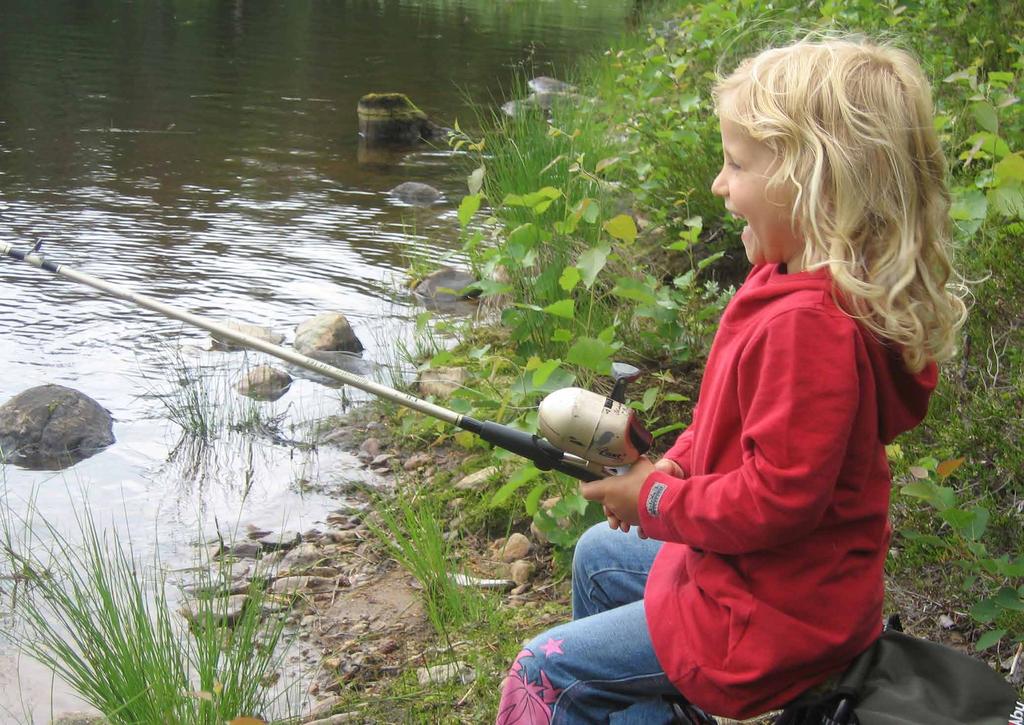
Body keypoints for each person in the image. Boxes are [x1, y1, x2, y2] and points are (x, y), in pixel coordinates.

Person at [495, 35, 967, 724]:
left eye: (736, 164)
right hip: (784, 586)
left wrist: (655, 499)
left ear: (814, 181)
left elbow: (778, 499)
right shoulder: (790, 280)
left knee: (547, 669)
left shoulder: (810, 327)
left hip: (773, 620)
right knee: (601, 554)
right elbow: (730, 422)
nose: (720, 184)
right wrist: (674, 466)